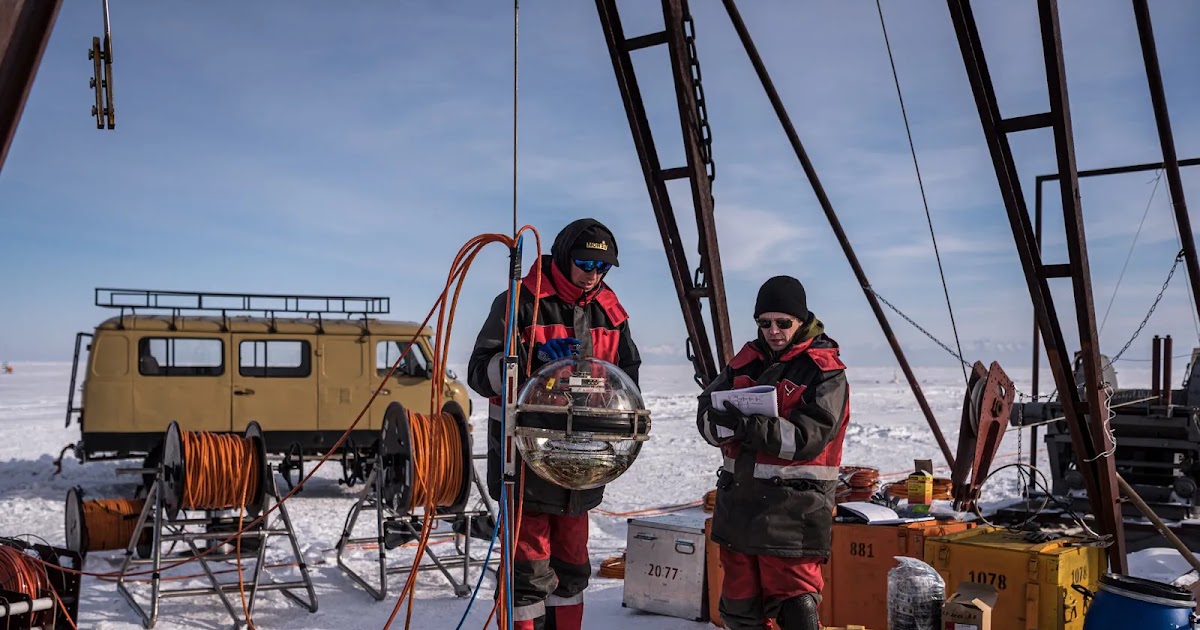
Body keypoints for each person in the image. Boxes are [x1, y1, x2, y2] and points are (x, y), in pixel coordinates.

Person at [468, 217, 641, 630]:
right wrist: (533, 366)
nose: (593, 275)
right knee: (528, 572)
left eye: (602, 268)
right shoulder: (519, 302)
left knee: (572, 566)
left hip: (582, 464)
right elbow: (480, 372)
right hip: (525, 463)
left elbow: (629, 377)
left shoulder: (610, 311)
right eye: (585, 264)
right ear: (564, 258)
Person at [696, 275, 850, 630]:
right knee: (738, 609)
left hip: (793, 513)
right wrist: (715, 421)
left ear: (801, 321)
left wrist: (748, 428)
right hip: (739, 509)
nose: (773, 331)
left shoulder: (823, 371)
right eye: (764, 323)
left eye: (783, 323)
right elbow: (706, 410)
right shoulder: (745, 362)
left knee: (795, 605)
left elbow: (808, 438)